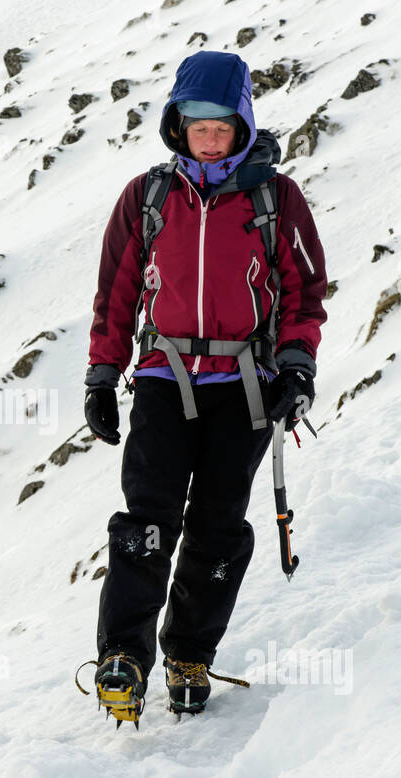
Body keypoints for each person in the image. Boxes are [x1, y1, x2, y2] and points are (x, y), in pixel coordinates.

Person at [81, 50, 327, 726]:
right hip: (163, 377)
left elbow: (304, 292)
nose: (210, 140)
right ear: (178, 126)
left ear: (242, 126)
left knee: (217, 527)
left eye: (222, 128)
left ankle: (188, 654)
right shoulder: (149, 197)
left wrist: (297, 367)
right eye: (198, 128)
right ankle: (122, 656)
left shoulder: (276, 199)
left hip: (246, 386)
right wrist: (103, 372)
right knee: (147, 518)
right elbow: (116, 294)